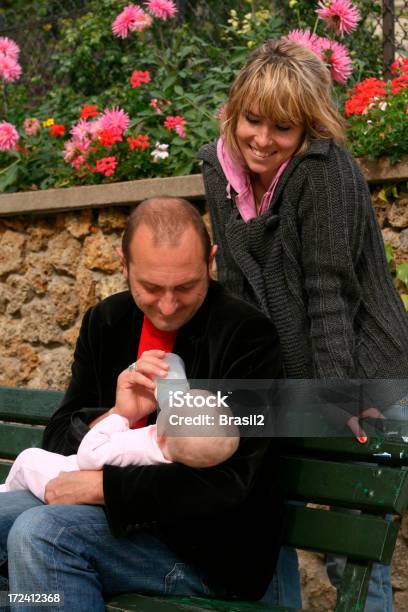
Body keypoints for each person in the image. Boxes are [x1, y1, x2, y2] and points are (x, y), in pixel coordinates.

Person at [198, 38, 408, 612]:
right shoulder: (219, 173)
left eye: (282, 129)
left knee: (349, 546)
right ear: (235, 111)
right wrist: (231, 387)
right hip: (285, 379)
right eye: (253, 121)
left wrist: (341, 396)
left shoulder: (325, 173)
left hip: (362, 370)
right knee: (265, 520)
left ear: (307, 129)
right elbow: (237, 290)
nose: (262, 140)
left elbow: (328, 292)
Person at [0, 196, 284, 611]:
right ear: (123, 264)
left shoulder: (247, 336)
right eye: (150, 288)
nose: (168, 305)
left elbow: (231, 480)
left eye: (186, 287)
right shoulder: (106, 321)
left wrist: (106, 489)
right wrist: (117, 414)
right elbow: (59, 437)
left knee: (44, 534)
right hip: (103, 522)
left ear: (210, 261)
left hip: (201, 553)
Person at [0, 387, 240, 502]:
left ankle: (8, 489)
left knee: (28, 458)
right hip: (91, 492)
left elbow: (89, 456)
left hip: (61, 480)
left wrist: (119, 418)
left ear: (162, 434)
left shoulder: (135, 446)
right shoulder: (173, 459)